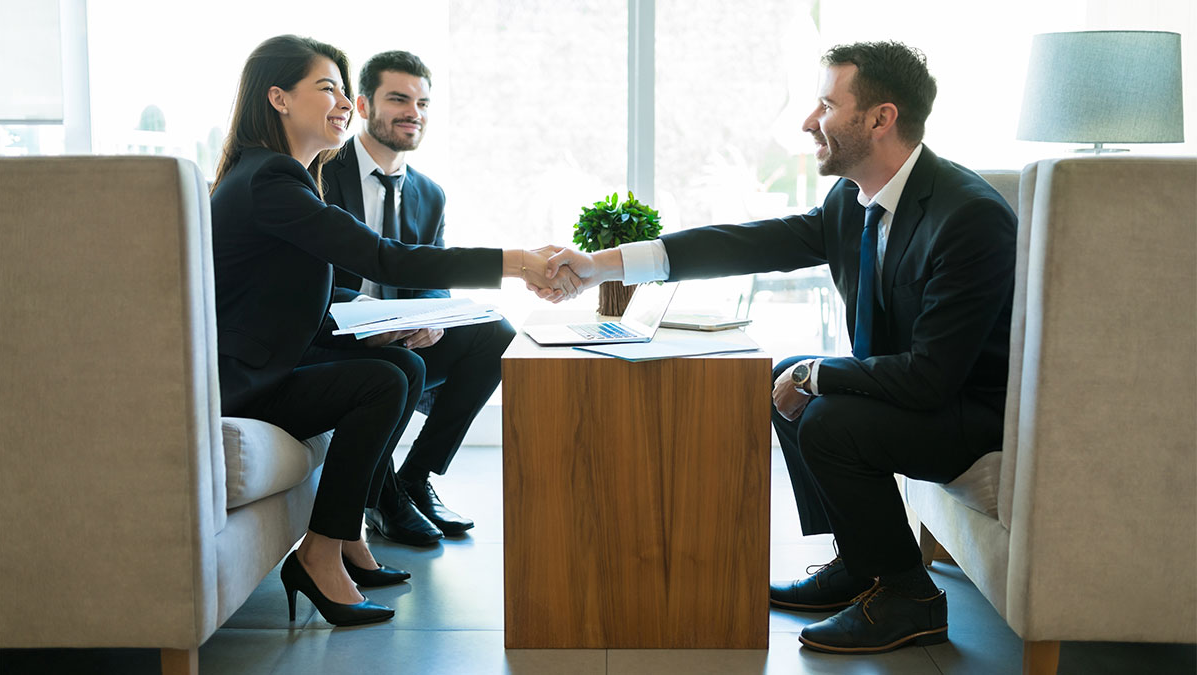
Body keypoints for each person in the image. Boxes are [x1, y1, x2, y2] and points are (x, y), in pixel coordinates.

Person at [540, 41, 1016, 654]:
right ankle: (861, 563)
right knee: (786, 377)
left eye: (825, 104)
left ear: (880, 118)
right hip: (919, 393)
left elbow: (931, 378)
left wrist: (819, 377)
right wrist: (603, 266)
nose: (807, 122)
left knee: (825, 415)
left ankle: (911, 597)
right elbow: (746, 244)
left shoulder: (968, 216)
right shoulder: (854, 199)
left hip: (970, 415)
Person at [210, 34, 577, 627]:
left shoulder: (276, 175)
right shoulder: (272, 179)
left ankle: (344, 536)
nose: (341, 104)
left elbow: (291, 296)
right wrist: (517, 261)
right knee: (384, 381)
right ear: (278, 98)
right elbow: (387, 259)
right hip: (248, 382)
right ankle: (321, 554)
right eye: (326, 87)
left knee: (401, 367)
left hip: (268, 363)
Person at [318, 50, 512, 547]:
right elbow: (305, 277)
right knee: (400, 357)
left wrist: (431, 316)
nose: (414, 112)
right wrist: (370, 317)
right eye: (399, 99)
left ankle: (414, 477)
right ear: (362, 105)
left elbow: (431, 274)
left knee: (497, 336)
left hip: (402, 332)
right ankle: (383, 498)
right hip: (336, 330)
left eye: (423, 102)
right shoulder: (321, 172)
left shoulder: (430, 193)